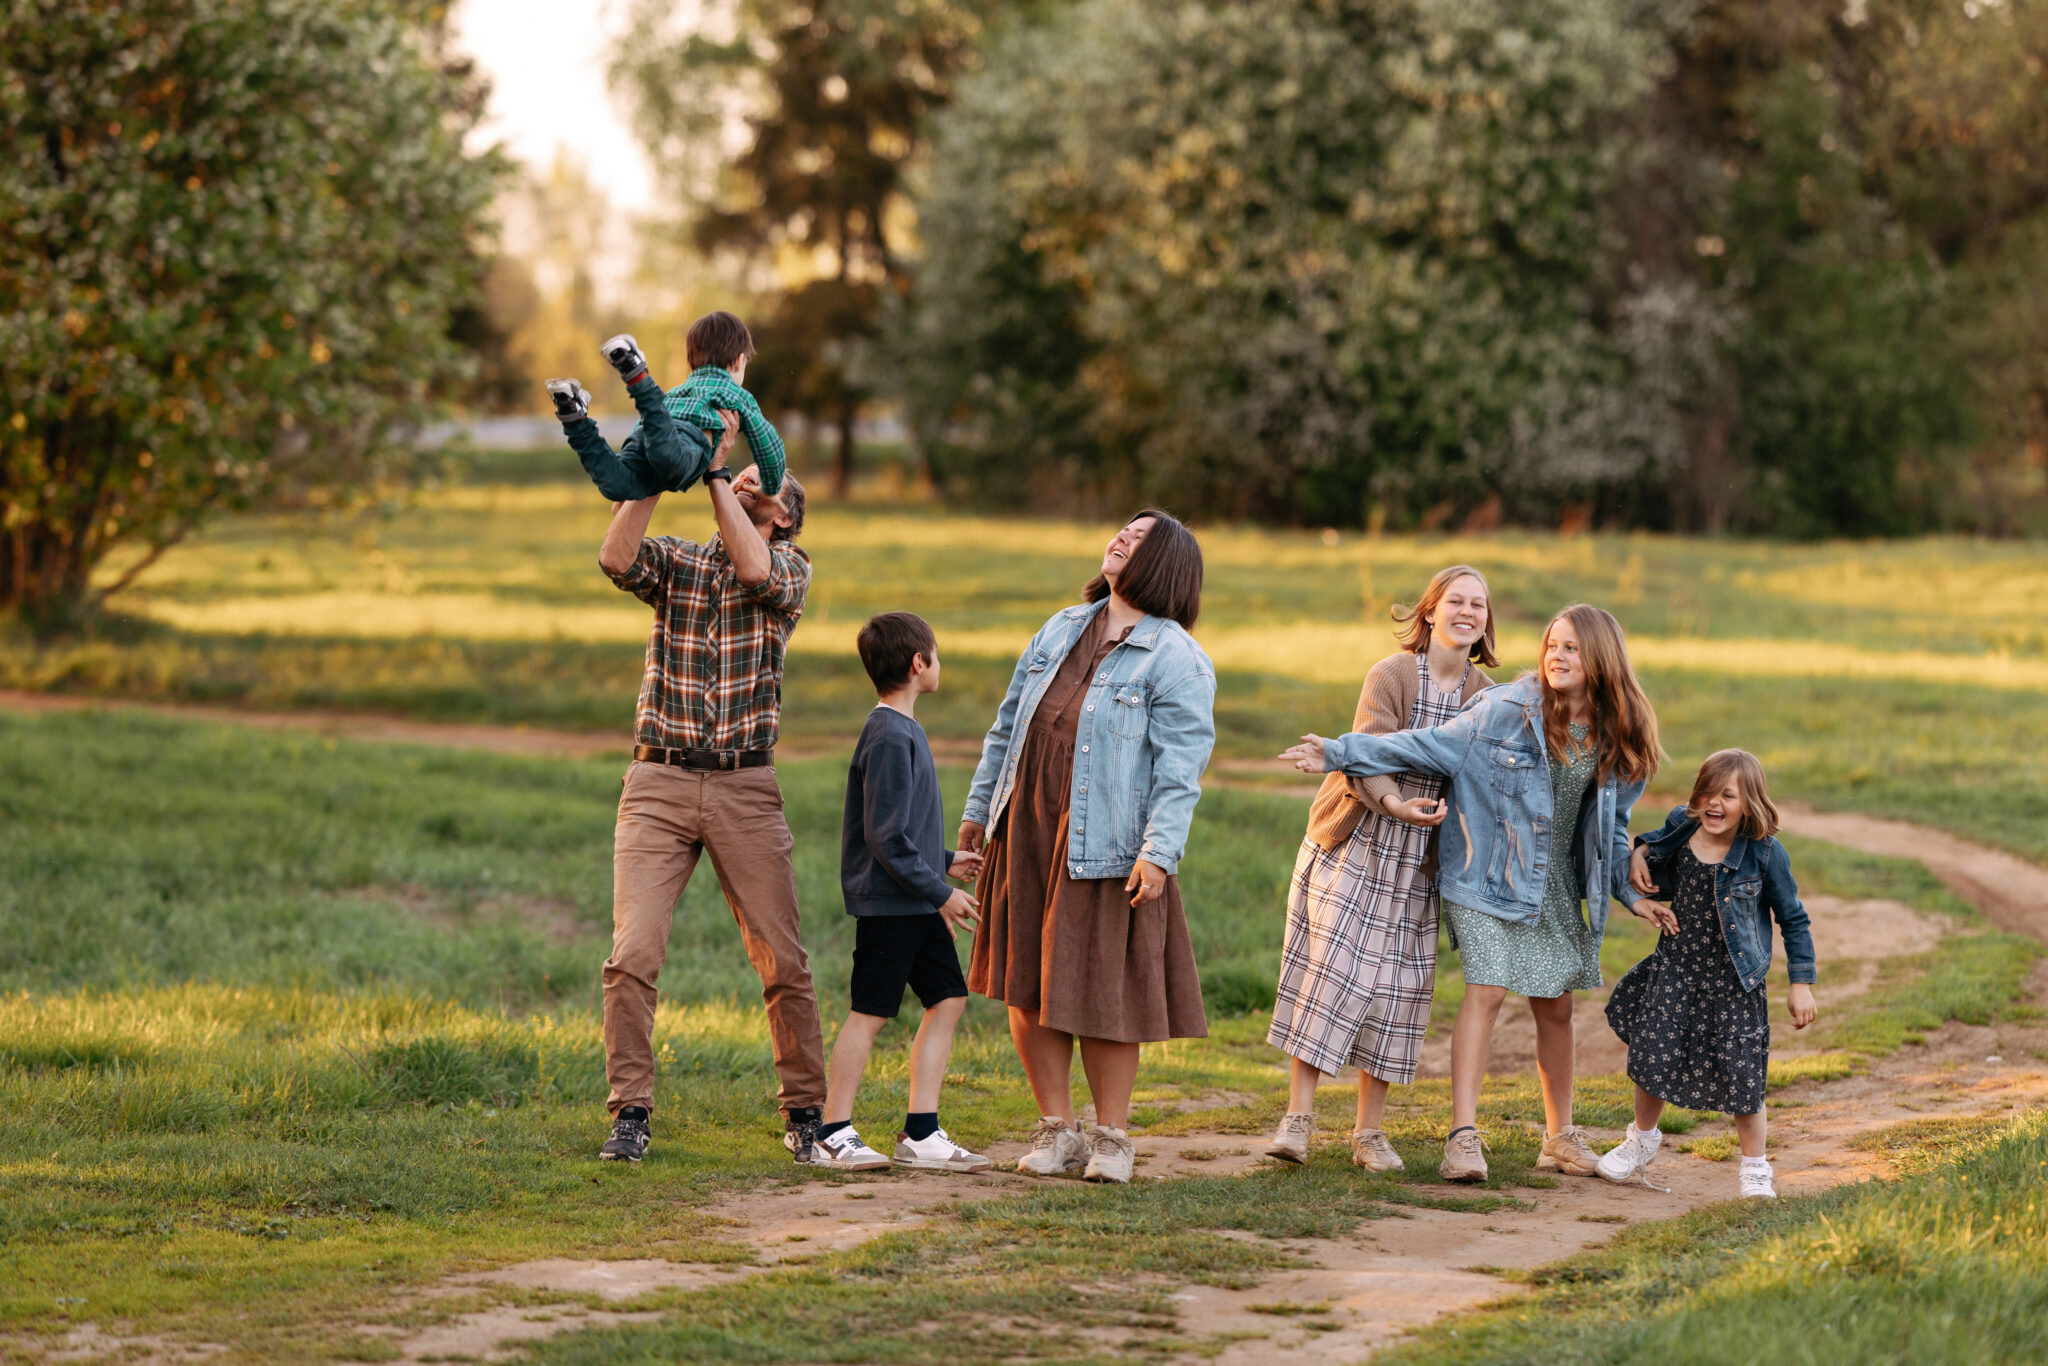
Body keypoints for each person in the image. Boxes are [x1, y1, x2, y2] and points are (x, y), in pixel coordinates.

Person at [1280, 604, 1660, 1183]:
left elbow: (1609, 829)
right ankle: (1462, 1137)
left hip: (1554, 883)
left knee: (1556, 1008)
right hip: (1485, 874)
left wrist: (1632, 896)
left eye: (1572, 648)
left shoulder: (1618, 732)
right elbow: (1425, 745)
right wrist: (1338, 752)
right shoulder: (1506, 709)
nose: (1556, 657)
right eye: (1552, 645)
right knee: (1486, 991)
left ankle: (1559, 1137)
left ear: (1602, 659)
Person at [958, 511, 1216, 1184]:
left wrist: (1159, 852)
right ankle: (1057, 1130)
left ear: (1164, 564)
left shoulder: (1177, 658)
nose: (1121, 538)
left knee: (1104, 988)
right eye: (1123, 530)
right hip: (1027, 824)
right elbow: (1006, 728)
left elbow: (1180, 769)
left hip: (1107, 840)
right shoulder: (1060, 628)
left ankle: (1111, 1139)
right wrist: (979, 811)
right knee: (1026, 980)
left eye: (1139, 537)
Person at [594, 410, 823, 1165]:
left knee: (783, 960)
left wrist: (720, 468)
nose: (744, 481)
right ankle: (631, 1112)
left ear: (783, 515)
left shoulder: (790, 569)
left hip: (744, 787)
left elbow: (754, 570)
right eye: (739, 475)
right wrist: (659, 470)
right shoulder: (682, 562)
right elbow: (615, 556)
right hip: (657, 780)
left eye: (760, 481)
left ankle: (806, 1113)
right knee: (632, 954)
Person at [1264, 566, 1498, 1172]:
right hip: (1359, 838)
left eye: (1477, 604)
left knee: (1397, 988)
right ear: (1430, 612)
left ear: (1486, 621)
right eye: (1455, 601)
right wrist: (1396, 803)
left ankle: (1368, 1133)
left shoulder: (1485, 696)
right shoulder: (1391, 675)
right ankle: (1298, 1118)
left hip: (1420, 862)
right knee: (1332, 971)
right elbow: (1365, 753)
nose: (1466, 612)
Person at [813, 611, 992, 1174]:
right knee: (870, 1012)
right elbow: (884, 837)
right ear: (920, 663)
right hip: (893, 904)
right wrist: (940, 891)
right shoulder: (889, 734)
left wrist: (945, 860)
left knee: (948, 998)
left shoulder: (904, 728)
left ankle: (921, 1133)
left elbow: (903, 832)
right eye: (936, 654)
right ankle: (831, 1133)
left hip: (915, 897)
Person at [1598, 749, 1818, 1199]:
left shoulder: (1764, 854)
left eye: (1728, 796)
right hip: (1676, 971)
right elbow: (1654, 842)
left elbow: (1793, 919)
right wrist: (1640, 851)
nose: (1715, 803)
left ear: (1750, 803)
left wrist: (1801, 984)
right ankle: (1641, 1140)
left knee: (1743, 1076)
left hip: (1735, 982)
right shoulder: (1684, 826)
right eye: (1707, 793)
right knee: (1653, 1056)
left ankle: (1755, 1166)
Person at [548, 310, 788, 502]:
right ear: (739, 361)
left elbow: (652, 418)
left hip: (647, 446)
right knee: (658, 461)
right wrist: (771, 487)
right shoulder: (735, 394)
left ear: (692, 361)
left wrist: (633, 449)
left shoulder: (678, 391)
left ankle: (574, 413)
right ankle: (635, 371)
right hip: (680, 448)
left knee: (616, 486)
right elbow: (768, 443)